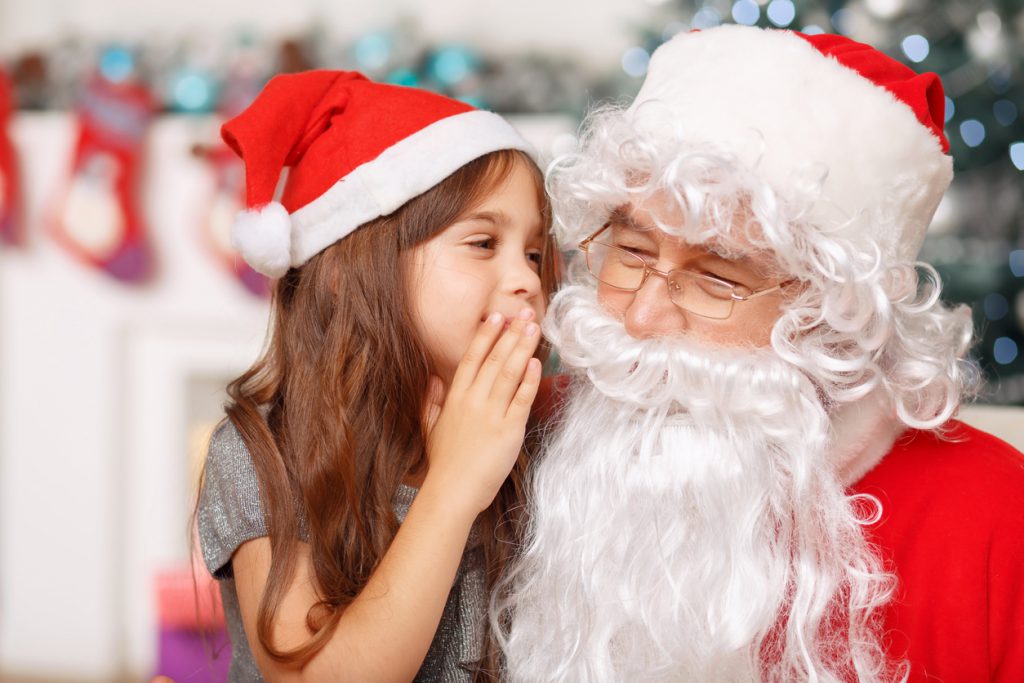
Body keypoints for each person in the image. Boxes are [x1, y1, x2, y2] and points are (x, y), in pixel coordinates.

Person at [495, 25, 1024, 682]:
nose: (641, 315)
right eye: (631, 253)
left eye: (718, 277)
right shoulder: (516, 438)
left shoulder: (996, 521)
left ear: (834, 318)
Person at [195, 70, 558, 682]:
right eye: (481, 242)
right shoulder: (265, 455)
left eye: (533, 252)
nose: (528, 280)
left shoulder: (538, 436)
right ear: (348, 270)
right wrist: (453, 484)